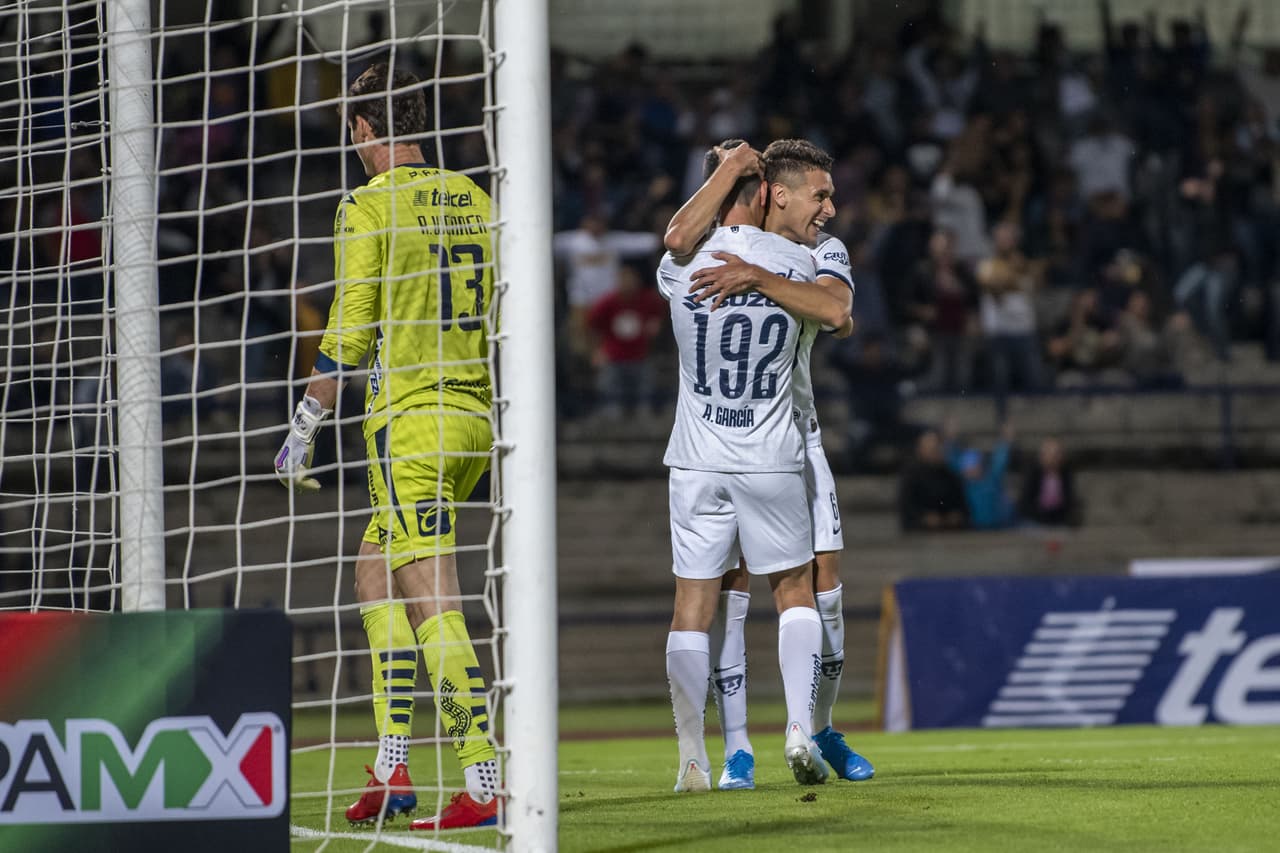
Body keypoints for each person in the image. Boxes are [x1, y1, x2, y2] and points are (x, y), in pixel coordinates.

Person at [273, 63, 499, 832]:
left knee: (433, 595)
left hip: (410, 426)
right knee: (376, 567)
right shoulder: (475, 198)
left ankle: (482, 778)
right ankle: (392, 765)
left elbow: (350, 325)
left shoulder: (366, 204)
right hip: (470, 419)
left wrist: (304, 426)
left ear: (363, 128)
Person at [664, 138, 872, 790]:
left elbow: (837, 311)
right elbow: (836, 315)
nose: (830, 210)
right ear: (771, 193)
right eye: (821, 196)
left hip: (751, 446)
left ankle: (810, 729)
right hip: (773, 447)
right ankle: (746, 747)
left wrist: (754, 276)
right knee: (773, 591)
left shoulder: (691, 265)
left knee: (815, 592)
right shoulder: (802, 262)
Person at [899, 429, 969, 531]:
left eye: (938, 448)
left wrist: (955, 515)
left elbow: (961, 505)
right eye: (932, 449)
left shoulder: (950, 475)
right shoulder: (911, 476)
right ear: (921, 450)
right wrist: (924, 518)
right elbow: (907, 507)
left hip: (948, 529)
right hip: (919, 530)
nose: (936, 452)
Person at [1018, 436, 1081, 527]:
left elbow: (1069, 501)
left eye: (1057, 454)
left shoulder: (1065, 474)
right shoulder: (1033, 474)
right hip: (1035, 521)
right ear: (1042, 456)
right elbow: (1025, 503)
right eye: (1050, 454)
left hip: (1059, 521)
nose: (1053, 458)